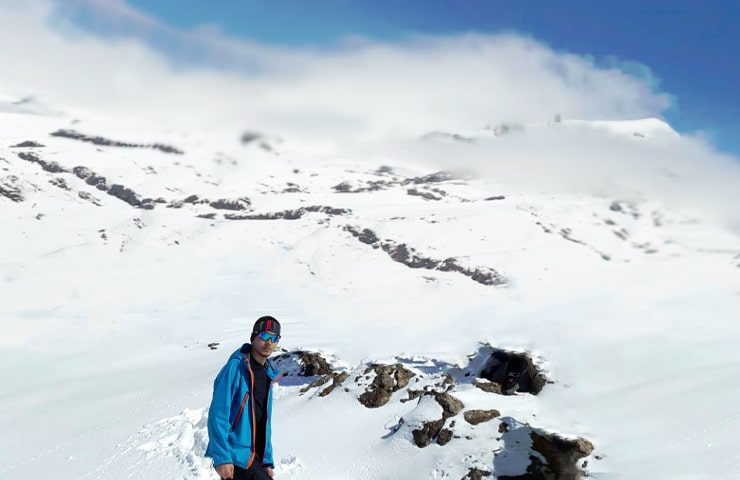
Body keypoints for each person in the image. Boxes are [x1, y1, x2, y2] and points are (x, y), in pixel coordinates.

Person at [206, 316, 284, 480]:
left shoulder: (267, 374)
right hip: (235, 457)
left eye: (274, 338)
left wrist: (267, 461)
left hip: (256, 458)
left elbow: (264, 421)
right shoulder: (235, 368)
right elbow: (218, 414)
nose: (269, 342)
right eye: (264, 336)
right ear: (253, 337)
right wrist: (222, 458)